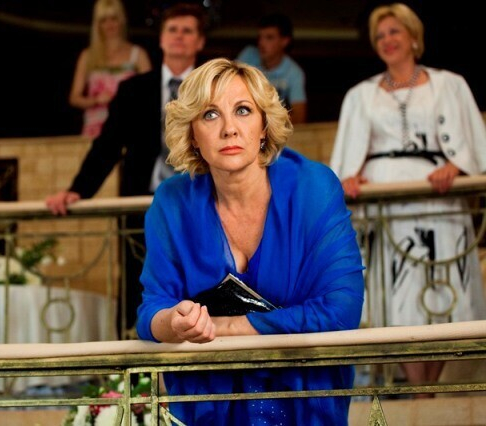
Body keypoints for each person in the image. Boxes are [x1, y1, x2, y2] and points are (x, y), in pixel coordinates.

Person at [136, 58, 364, 425]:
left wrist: (224, 327)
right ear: (192, 134)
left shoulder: (313, 188)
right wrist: (174, 324)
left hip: (304, 403)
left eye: (243, 110)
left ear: (264, 126)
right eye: (210, 115)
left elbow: (341, 311)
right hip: (208, 405)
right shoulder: (171, 202)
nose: (229, 129)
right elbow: (151, 312)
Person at [329, 3, 486, 392]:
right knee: (399, 299)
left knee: (442, 294)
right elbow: (345, 163)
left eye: (394, 32)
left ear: (414, 36)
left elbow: (474, 147)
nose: (387, 41)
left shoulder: (449, 84)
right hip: (388, 207)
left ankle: (428, 392)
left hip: (438, 205)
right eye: (380, 36)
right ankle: (420, 391)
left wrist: (457, 166)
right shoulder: (361, 95)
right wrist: (351, 178)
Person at [46, 3, 207, 338]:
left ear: (199, 41)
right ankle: (133, 360)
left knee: (202, 280)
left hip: (201, 202)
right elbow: (107, 146)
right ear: (161, 39)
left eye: (187, 31)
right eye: (172, 30)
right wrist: (78, 189)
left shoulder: (213, 88)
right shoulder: (134, 88)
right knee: (139, 282)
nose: (179, 37)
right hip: (141, 206)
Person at [69, 0, 152, 138]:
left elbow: (151, 94)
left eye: (114, 19)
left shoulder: (138, 55)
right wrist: (96, 100)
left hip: (129, 127)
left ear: (122, 20)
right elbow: (74, 98)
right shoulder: (87, 56)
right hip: (94, 130)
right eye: (104, 20)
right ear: (97, 24)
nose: (109, 25)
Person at [236, 13, 307, 123]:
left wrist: (268, 124)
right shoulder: (247, 56)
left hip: (273, 129)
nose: (261, 43)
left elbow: (299, 116)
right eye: (260, 37)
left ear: (284, 41)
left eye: (269, 37)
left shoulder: (294, 73)